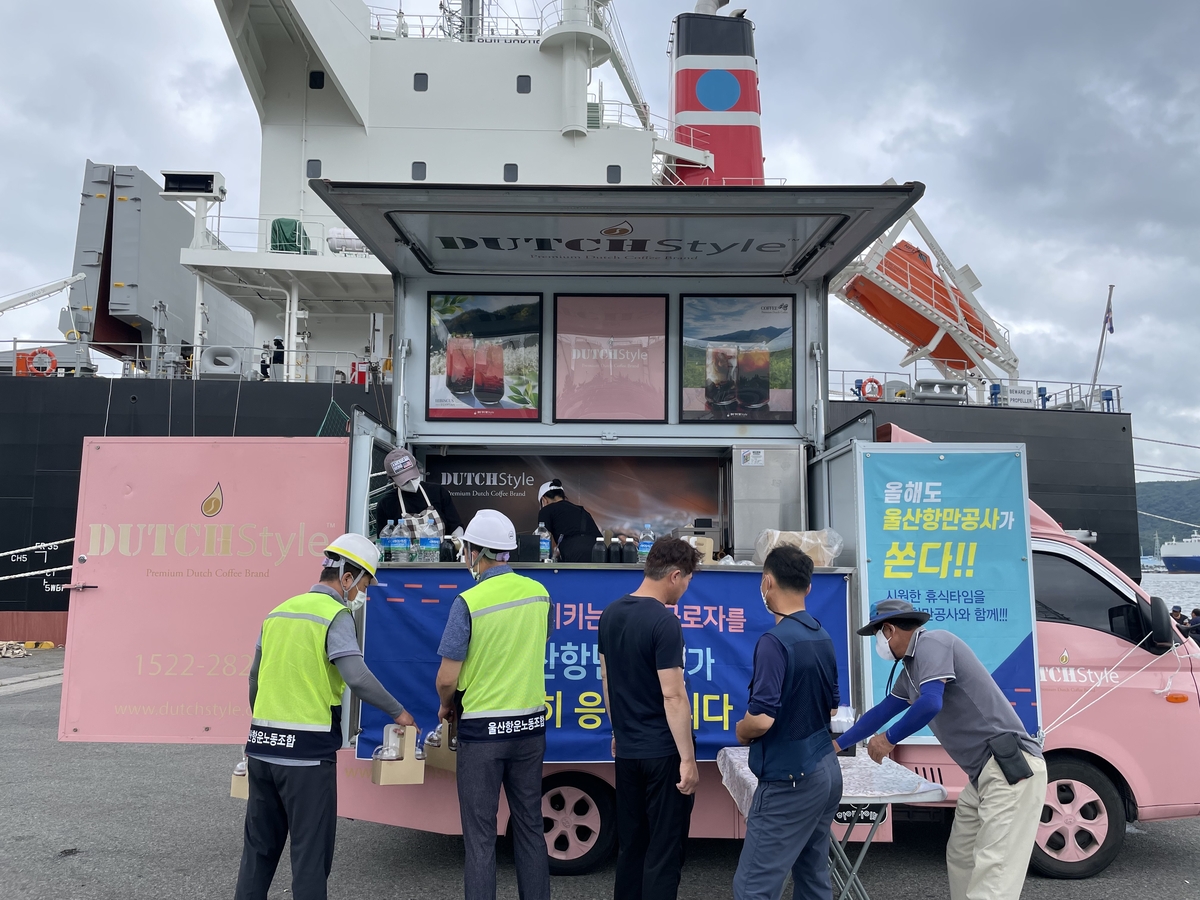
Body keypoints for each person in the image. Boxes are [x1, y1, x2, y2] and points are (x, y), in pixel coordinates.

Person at [235, 533, 415, 900]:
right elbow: (356, 676)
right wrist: (400, 712)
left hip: (261, 750)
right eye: (363, 584)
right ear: (347, 577)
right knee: (309, 859)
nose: (362, 593)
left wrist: (263, 724)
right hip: (305, 758)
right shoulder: (335, 614)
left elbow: (254, 678)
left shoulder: (279, 611)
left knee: (258, 853)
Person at [834, 599, 1047, 900]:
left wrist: (889, 739)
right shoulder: (910, 668)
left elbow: (931, 702)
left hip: (1010, 769)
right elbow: (882, 711)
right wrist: (837, 744)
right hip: (983, 775)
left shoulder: (933, 642)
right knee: (962, 856)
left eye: (877, 636)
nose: (878, 644)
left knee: (993, 874)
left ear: (889, 629)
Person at [434, 510, 551, 900]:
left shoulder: (468, 601)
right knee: (531, 826)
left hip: (483, 733)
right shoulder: (539, 594)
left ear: (478, 552)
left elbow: (447, 678)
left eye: (467, 549)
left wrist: (445, 705)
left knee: (481, 838)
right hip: (530, 729)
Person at [731, 546, 841, 900]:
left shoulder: (774, 642)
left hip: (790, 780)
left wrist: (740, 730)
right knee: (812, 878)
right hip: (825, 770)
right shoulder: (821, 636)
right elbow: (832, 710)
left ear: (767, 582)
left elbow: (761, 719)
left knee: (753, 888)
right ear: (808, 587)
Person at [598, 537, 701, 900]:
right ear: (674, 575)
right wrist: (687, 760)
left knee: (632, 847)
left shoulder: (610, 613)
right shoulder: (664, 622)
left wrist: (618, 729)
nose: (686, 588)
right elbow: (673, 695)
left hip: (626, 751)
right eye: (687, 579)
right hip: (662, 754)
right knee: (663, 851)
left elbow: (607, 680)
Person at [374, 447, 464, 539]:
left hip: (440, 552)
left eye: (413, 477)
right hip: (403, 553)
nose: (411, 482)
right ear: (392, 479)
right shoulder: (386, 504)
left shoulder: (438, 492)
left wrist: (459, 544)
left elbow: (456, 526)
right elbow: (383, 542)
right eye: (406, 481)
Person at [536, 478, 601, 562]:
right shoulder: (581, 510)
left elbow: (543, 540)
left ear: (544, 500)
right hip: (598, 552)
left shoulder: (546, 510)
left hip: (574, 553)